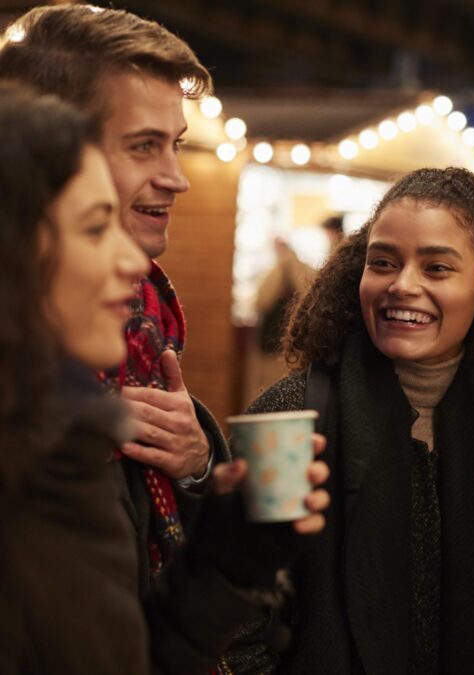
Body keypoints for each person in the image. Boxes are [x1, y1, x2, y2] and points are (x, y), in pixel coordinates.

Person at [0, 83, 330, 675]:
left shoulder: (55, 437)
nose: (132, 264)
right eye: (95, 228)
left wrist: (225, 558)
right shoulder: (45, 455)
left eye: (174, 144)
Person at [244, 167, 474, 673]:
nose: (403, 286)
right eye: (382, 262)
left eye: (437, 268)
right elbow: (238, 616)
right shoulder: (289, 421)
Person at [0, 4, 227, 601]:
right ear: (49, 145)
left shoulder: (142, 320)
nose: (176, 176)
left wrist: (200, 460)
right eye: (144, 146)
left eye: (175, 144)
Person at [246, 215, 346, 401]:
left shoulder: (282, 267)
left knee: (268, 388)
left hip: (274, 338)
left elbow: (261, 301)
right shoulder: (303, 269)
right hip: (292, 341)